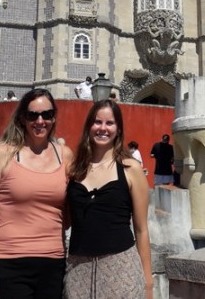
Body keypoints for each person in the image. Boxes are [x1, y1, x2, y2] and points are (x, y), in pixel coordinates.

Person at [0, 89, 73, 299]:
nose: (40, 121)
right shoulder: (1, 154)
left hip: (53, 263)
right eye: (32, 115)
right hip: (9, 263)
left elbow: (71, 211)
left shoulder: (65, 155)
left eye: (46, 115)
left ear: (53, 117)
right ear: (22, 118)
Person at [64, 99, 152, 299]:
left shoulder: (130, 169)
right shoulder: (74, 169)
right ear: (89, 126)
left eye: (109, 123)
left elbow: (141, 229)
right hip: (78, 270)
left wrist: (148, 283)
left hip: (121, 270)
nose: (102, 128)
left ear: (118, 129)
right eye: (97, 122)